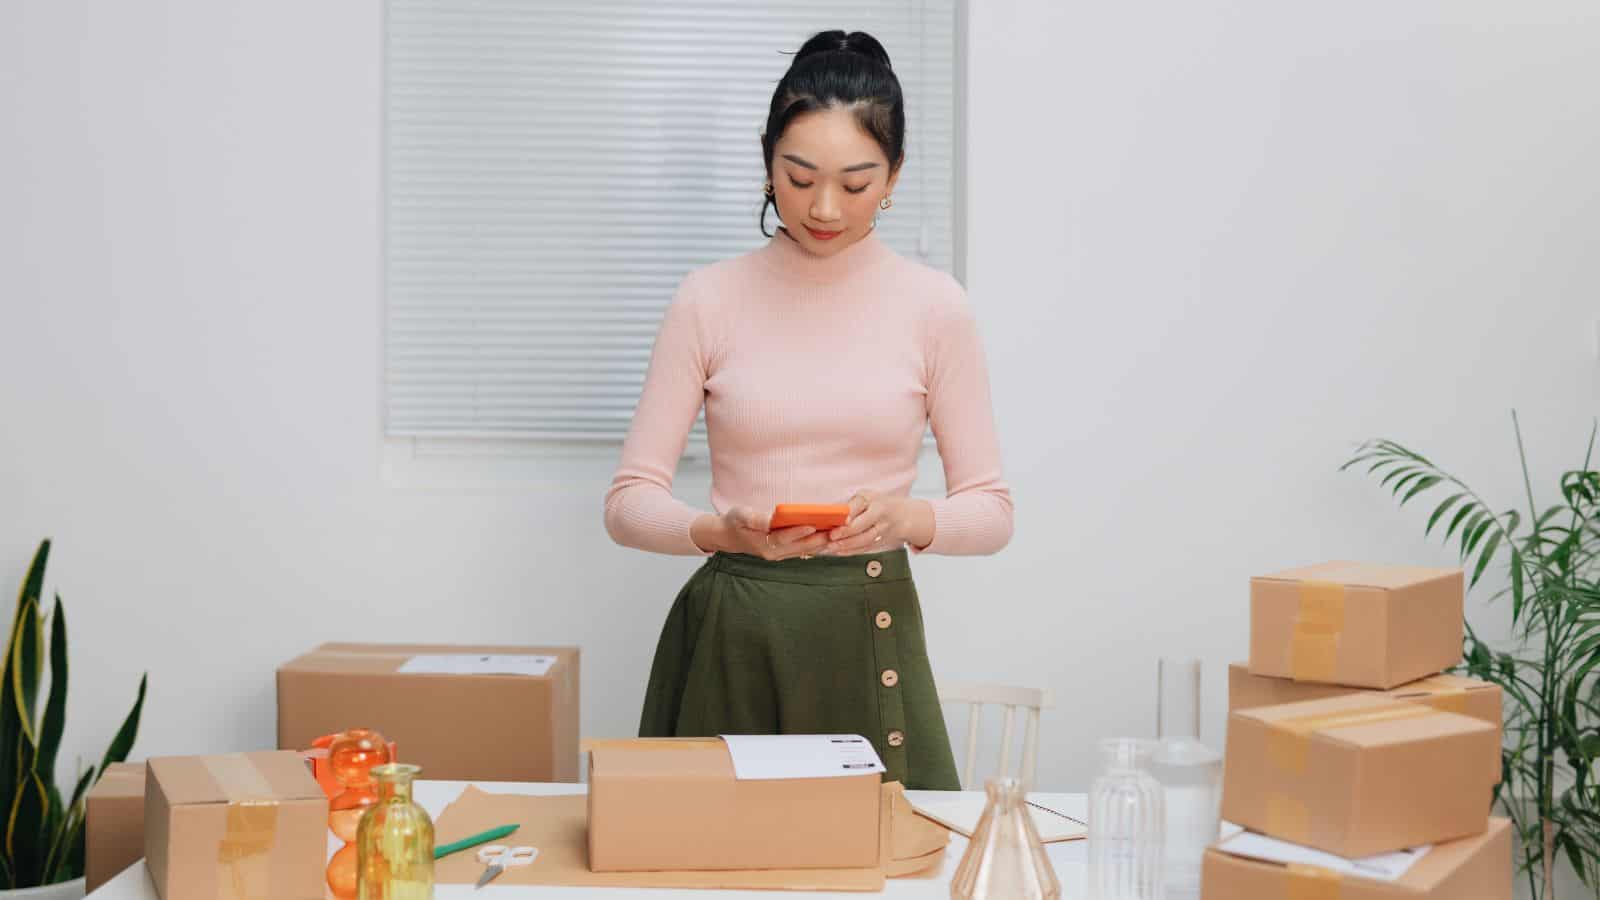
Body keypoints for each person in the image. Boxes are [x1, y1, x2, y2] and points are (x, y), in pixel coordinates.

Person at [603, 29, 1012, 790]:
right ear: (767, 163)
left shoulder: (934, 308)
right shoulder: (707, 299)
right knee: (713, 844)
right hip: (733, 628)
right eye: (799, 178)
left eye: (856, 185)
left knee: (884, 842)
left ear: (893, 176)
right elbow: (628, 504)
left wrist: (907, 519)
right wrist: (718, 532)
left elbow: (991, 512)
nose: (824, 208)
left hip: (868, 622)